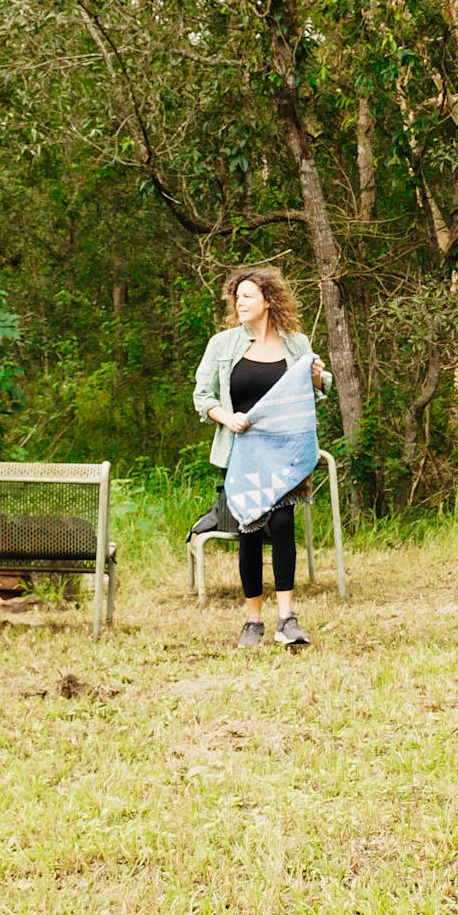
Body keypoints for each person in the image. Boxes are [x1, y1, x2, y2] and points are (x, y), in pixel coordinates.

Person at [193, 264, 329, 649]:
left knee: (284, 526)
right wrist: (227, 417)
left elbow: (318, 389)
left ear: (268, 301)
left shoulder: (296, 344)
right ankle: (253, 621)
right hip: (241, 454)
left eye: (248, 295)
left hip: (285, 454)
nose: (240, 301)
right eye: (237, 296)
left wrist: (317, 375)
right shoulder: (223, 345)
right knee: (249, 533)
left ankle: (287, 618)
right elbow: (203, 397)